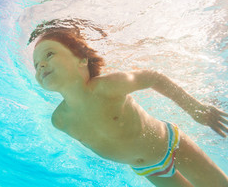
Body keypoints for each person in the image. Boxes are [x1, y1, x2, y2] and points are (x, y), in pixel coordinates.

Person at [31, 23, 228, 187]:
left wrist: (194, 108)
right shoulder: (59, 120)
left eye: (49, 54)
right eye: (36, 64)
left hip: (172, 146)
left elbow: (154, 78)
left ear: (82, 59)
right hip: (150, 171)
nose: (40, 65)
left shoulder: (106, 87)